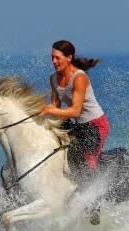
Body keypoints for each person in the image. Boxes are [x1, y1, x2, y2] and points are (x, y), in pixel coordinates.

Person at [39, 40, 110, 174]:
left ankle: (96, 188)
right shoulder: (53, 78)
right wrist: (38, 111)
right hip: (80, 125)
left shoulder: (79, 78)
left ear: (69, 57)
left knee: (88, 159)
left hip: (97, 124)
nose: (54, 61)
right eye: (52, 57)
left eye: (57, 58)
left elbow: (76, 111)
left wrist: (50, 110)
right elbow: (55, 106)